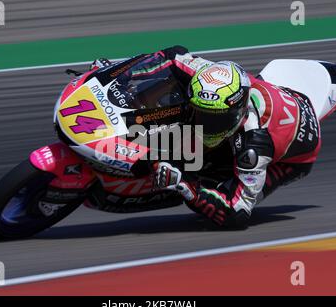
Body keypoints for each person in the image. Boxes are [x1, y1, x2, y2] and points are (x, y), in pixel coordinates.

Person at [91, 45, 321, 227]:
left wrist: (184, 185)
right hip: (271, 96)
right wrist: (116, 74)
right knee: (172, 91)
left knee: (212, 191)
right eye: (201, 114)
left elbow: (236, 212)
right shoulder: (204, 73)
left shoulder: (254, 149)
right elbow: (171, 56)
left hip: (293, 157)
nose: (205, 124)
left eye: (215, 119)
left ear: (238, 112)